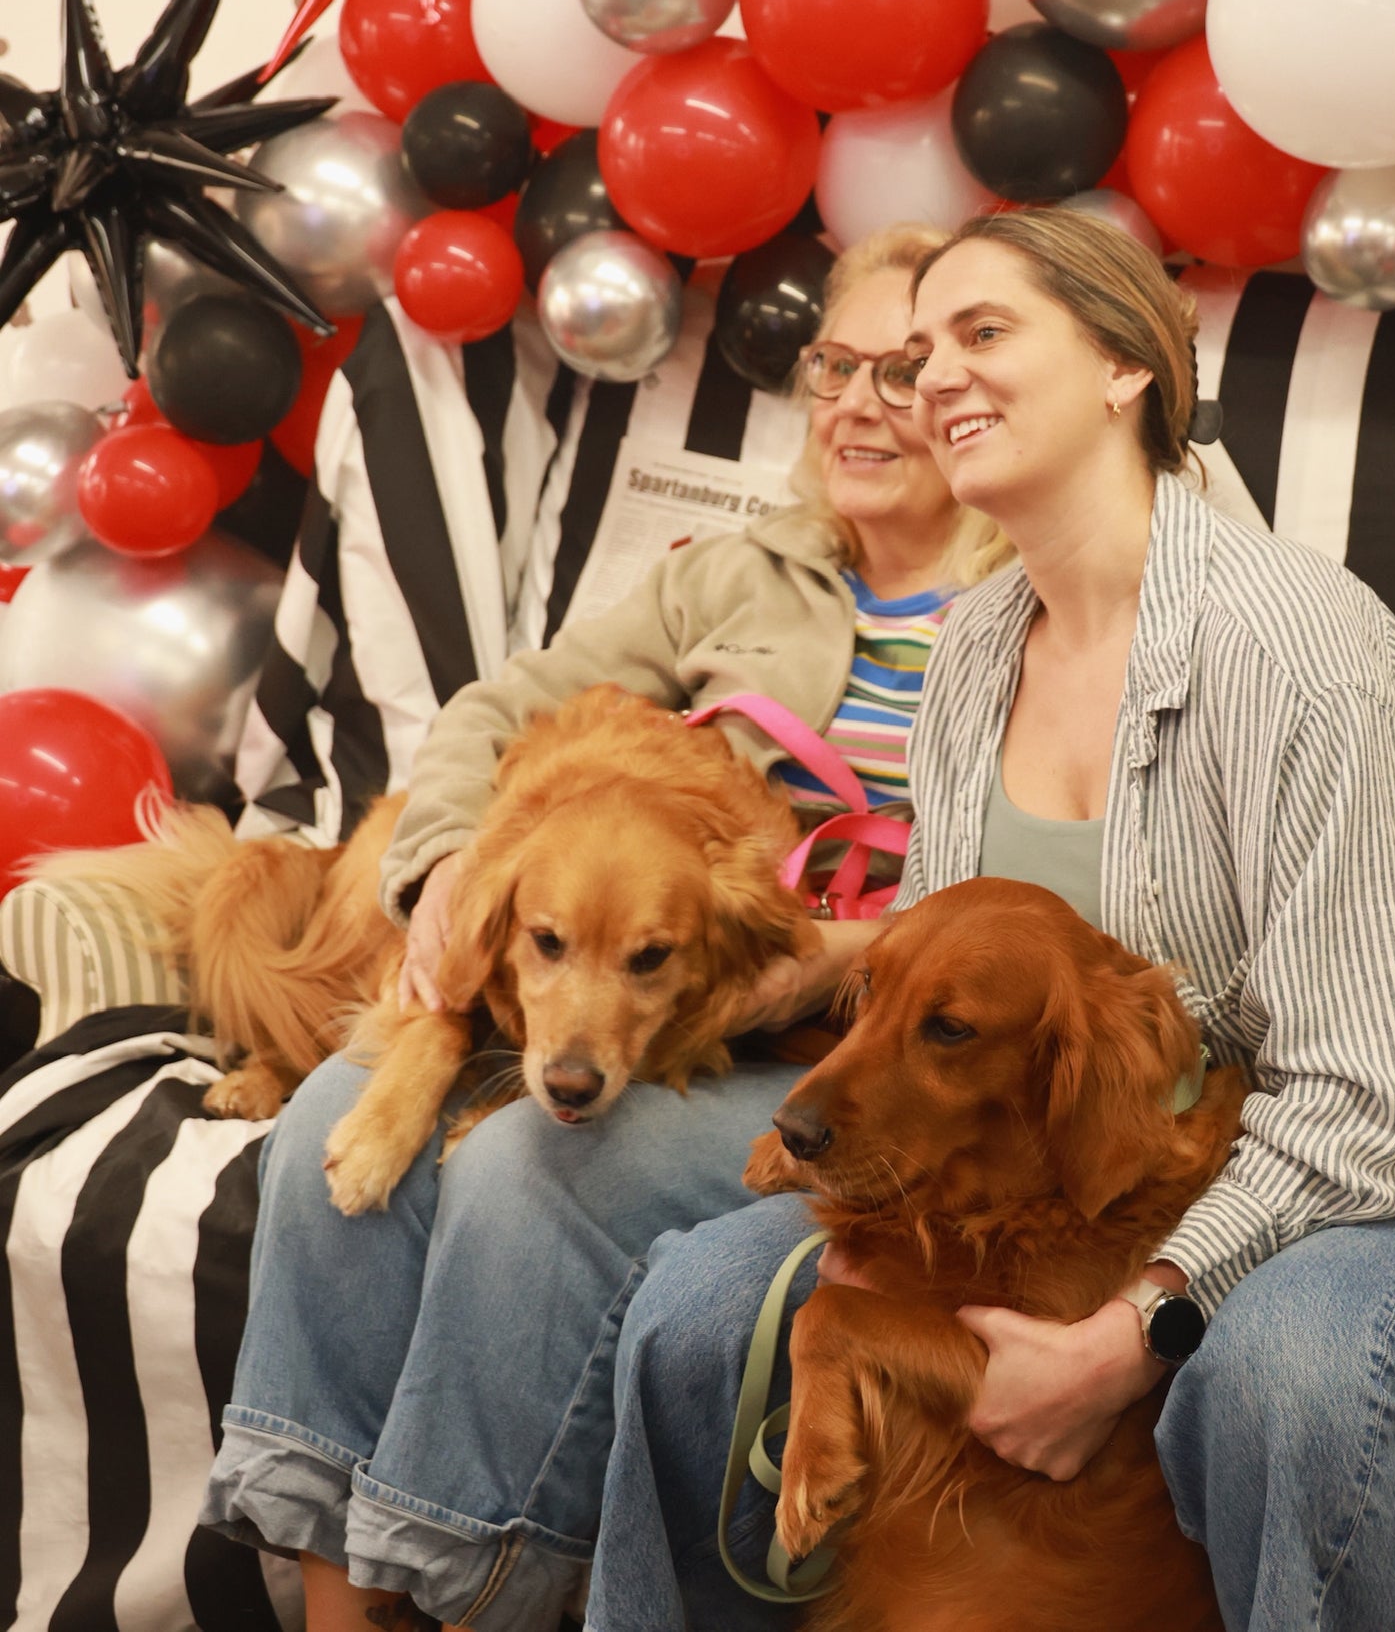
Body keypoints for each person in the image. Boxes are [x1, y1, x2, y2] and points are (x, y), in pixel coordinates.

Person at [588, 207, 1395, 1632]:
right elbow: (949, 1010)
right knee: (699, 1308)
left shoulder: (1307, 654)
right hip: (1103, 1167)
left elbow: (1378, 1105)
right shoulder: (976, 646)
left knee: (1295, 1368)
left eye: (982, 333)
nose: (926, 375)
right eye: (908, 354)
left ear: (1129, 367)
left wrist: (1138, 1326)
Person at [198, 222, 1007, 1632]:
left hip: (831, 1030)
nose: (861, 401)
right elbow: (500, 712)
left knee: (523, 1168)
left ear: (978, 396)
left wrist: (848, 955)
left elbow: (1057, 901)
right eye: (835, 364)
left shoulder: (1033, 602)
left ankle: (472, 1585)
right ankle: (332, 1604)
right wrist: (448, 868)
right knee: (337, 1107)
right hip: (662, 977)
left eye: (905, 368)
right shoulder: (737, 573)